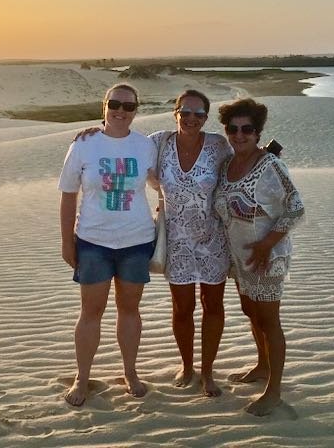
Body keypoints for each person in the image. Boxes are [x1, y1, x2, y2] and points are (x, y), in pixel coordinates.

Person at [76, 89, 232, 397]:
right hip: (175, 239)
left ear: (206, 117)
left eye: (199, 114)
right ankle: (187, 367)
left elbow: (238, 171)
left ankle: (209, 373)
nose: (191, 119)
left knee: (213, 306)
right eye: (185, 112)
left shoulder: (218, 145)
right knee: (181, 308)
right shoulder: (158, 142)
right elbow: (123, 142)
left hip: (214, 239)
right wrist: (97, 130)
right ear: (174, 113)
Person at [58, 83, 157, 407]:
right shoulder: (84, 144)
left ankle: (130, 372)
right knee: (91, 312)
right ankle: (82, 377)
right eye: (115, 103)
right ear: (104, 106)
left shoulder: (145, 146)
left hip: (136, 240)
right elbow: (68, 194)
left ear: (136, 111)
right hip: (93, 241)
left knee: (129, 310)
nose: (121, 111)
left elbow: (162, 183)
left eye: (129, 106)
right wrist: (66, 242)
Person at [214, 98, 304, 416]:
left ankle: (274, 392)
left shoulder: (270, 165)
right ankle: (262, 366)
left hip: (268, 256)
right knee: (251, 313)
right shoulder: (227, 165)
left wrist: (267, 243)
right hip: (241, 258)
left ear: (257, 131)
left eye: (247, 129)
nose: (239, 135)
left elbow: (296, 206)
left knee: (269, 321)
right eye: (232, 129)